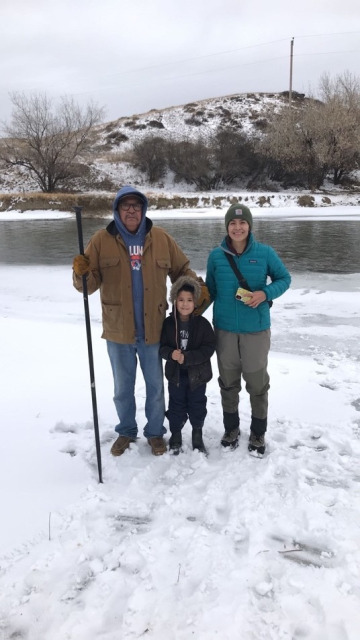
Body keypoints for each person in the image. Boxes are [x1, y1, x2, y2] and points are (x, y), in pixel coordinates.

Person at [73, 186, 210, 457]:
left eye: (137, 205)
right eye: (126, 206)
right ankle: (126, 430)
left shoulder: (160, 238)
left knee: (156, 387)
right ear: (117, 211)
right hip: (118, 330)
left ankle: (156, 433)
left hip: (154, 329)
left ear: (144, 209)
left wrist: (195, 288)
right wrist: (81, 273)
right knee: (122, 388)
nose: (132, 210)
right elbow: (88, 285)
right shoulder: (101, 240)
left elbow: (181, 269)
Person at [206, 203, 291, 455]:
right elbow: (210, 290)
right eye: (232, 223)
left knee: (257, 383)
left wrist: (264, 293)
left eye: (242, 223)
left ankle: (258, 432)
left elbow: (284, 279)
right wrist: (186, 314)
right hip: (224, 330)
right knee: (228, 383)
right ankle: (231, 428)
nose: (237, 227)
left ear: (249, 225)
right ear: (227, 227)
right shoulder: (215, 256)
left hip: (256, 330)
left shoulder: (264, 253)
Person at [160, 276, 216, 455]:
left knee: (197, 404)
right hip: (176, 375)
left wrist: (188, 358)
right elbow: (161, 347)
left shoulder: (203, 324)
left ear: (196, 302)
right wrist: (170, 354)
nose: (185, 304)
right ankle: (175, 433)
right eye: (181, 300)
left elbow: (209, 348)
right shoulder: (168, 324)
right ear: (174, 300)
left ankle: (197, 434)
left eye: (189, 300)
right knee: (176, 404)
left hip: (197, 376)